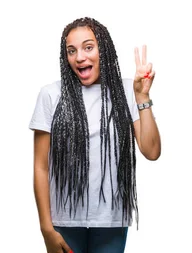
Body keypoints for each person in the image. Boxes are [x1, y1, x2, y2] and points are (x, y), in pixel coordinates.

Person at [30, 17, 161, 253]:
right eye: (71, 51)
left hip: (111, 221)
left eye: (88, 47)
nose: (79, 57)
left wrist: (142, 97)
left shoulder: (127, 91)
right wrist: (46, 228)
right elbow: (41, 166)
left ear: (105, 49)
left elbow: (151, 151)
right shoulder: (51, 95)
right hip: (64, 221)